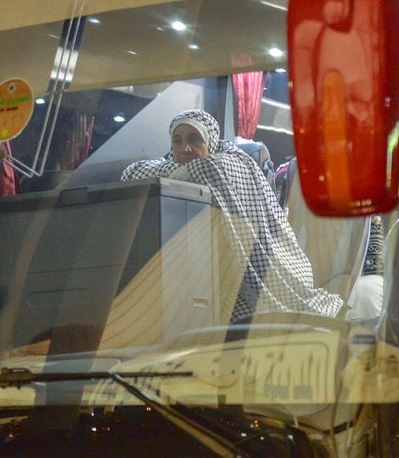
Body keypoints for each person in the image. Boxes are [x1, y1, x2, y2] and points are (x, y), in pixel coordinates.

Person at [121, 109, 343, 321]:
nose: (185, 148)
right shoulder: (178, 166)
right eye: (177, 141)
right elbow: (130, 173)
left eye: (195, 139)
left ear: (211, 141)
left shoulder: (232, 162)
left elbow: (205, 167)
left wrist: (168, 173)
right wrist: (176, 171)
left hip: (275, 266)